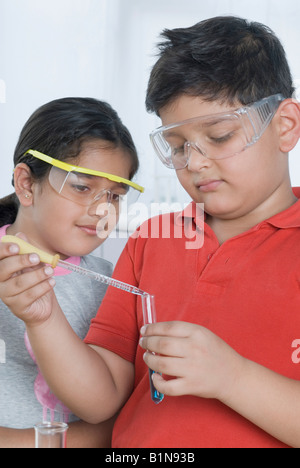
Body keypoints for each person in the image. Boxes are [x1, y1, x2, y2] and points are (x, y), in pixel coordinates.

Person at [0, 16, 300, 448]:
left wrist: (233, 377)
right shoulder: (151, 240)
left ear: (285, 125)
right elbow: (100, 401)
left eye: (218, 136)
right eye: (177, 147)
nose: (194, 162)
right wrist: (43, 316)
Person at [0, 97, 142, 448]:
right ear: (26, 183)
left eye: (114, 196)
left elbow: (115, 421)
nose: (101, 210)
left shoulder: (114, 282)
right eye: (82, 187)